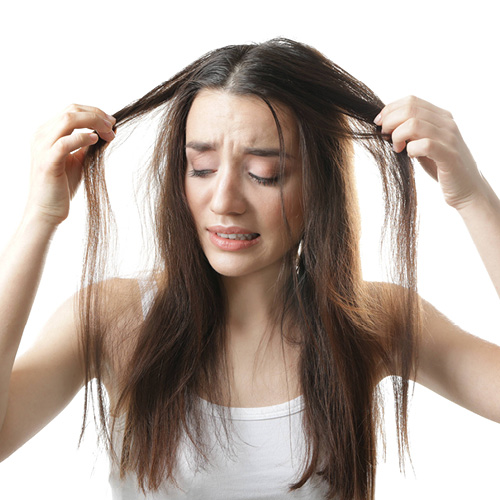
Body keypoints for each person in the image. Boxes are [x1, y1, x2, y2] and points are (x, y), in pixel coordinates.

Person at [0, 38, 498, 500]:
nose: (224, 201)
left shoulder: (375, 321)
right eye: (202, 168)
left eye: (266, 173)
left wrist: (472, 196)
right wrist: (38, 219)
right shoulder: (112, 318)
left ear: (319, 184)